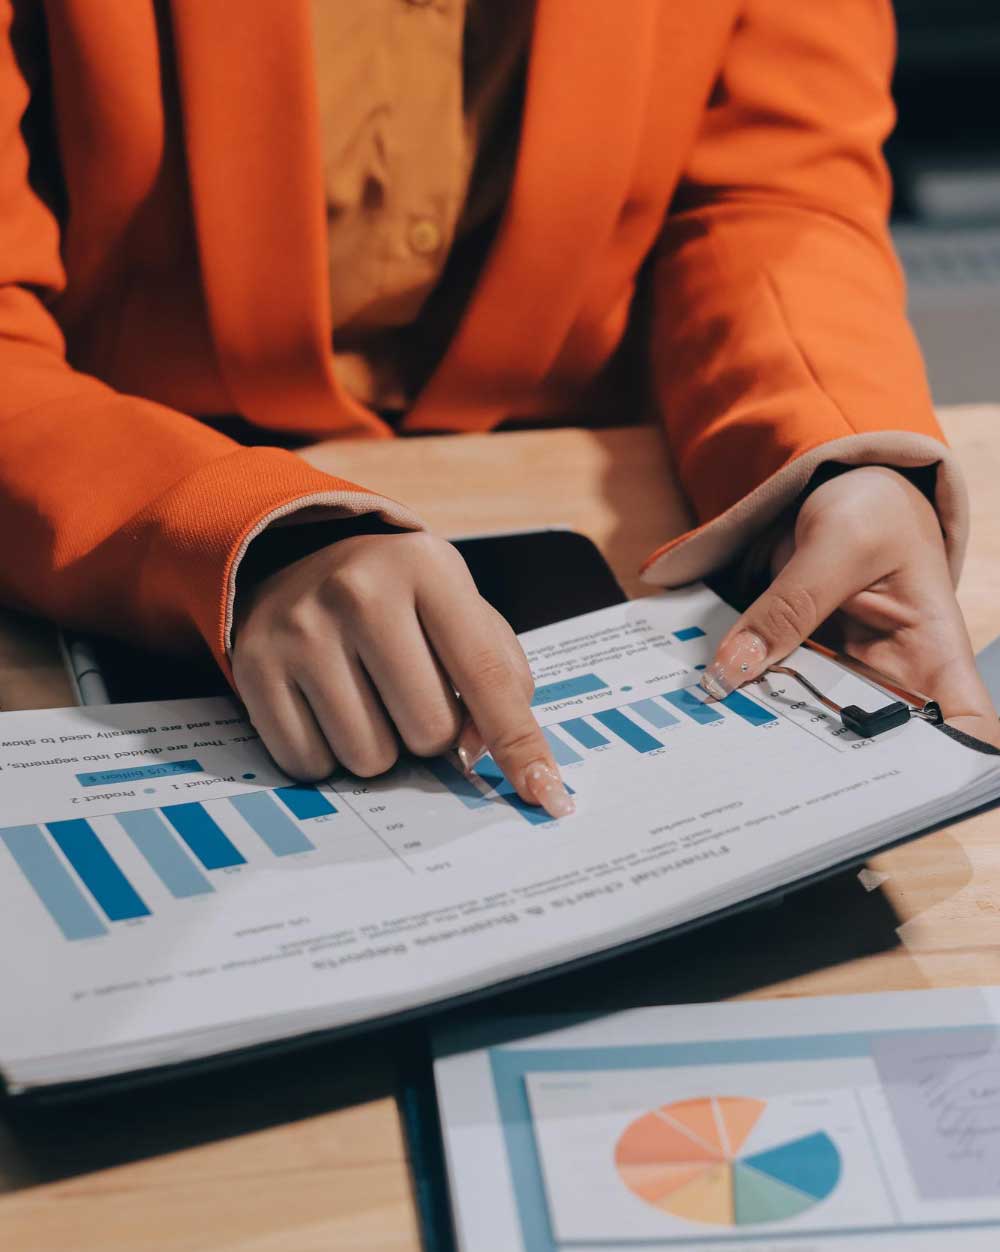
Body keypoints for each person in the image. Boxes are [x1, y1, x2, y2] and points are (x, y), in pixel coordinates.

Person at [1, 1, 994, 822]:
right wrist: (246, 533)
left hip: (595, 510)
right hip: (116, 496)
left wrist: (836, 454)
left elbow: (769, 193)